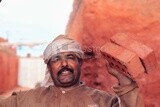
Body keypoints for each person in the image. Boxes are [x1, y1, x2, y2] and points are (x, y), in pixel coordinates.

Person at [0, 34, 144, 107]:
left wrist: (123, 80)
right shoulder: (26, 100)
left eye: (70, 57)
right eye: (56, 59)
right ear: (49, 66)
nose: (64, 63)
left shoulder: (103, 101)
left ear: (79, 62)